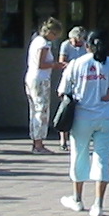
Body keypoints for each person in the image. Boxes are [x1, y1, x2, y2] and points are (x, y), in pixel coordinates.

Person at [58, 31, 109, 216]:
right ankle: (98, 204)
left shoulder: (76, 64)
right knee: (102, 159)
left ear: (87, 46)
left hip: (82, 117)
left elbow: (62, 91)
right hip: (106, 117)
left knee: (79, 156)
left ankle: (77, 199)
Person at [26, 17, 63, 153]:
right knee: (41, 111)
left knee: (34, 110)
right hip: (41, 79)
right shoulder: (44, 44)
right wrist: (56, 65)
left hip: (31, 77)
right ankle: (39, 144)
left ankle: (35, 141)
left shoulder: (35, 40)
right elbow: (41, 64)